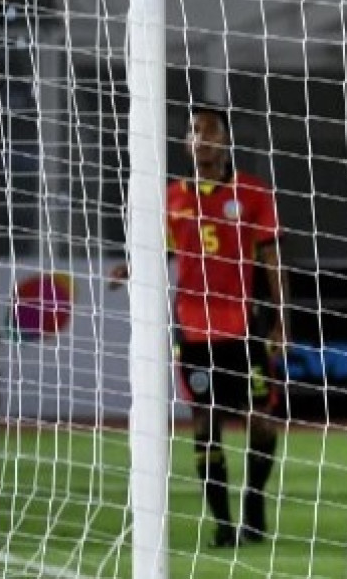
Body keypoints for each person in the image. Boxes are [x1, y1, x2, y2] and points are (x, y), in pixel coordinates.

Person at [110, 105, 286, 548]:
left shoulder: (252, 192)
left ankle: (254, 502)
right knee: (205, 425)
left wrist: (282, 319)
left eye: (210, 131)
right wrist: (131, 268)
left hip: (244, 326)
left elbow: (271, 258)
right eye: (193, 131)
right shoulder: (173, 198)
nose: (201, 138)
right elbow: (160, 253)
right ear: (186, 143)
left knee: (262, 422)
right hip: (193, 331)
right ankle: (224, 524)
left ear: (226, 139)